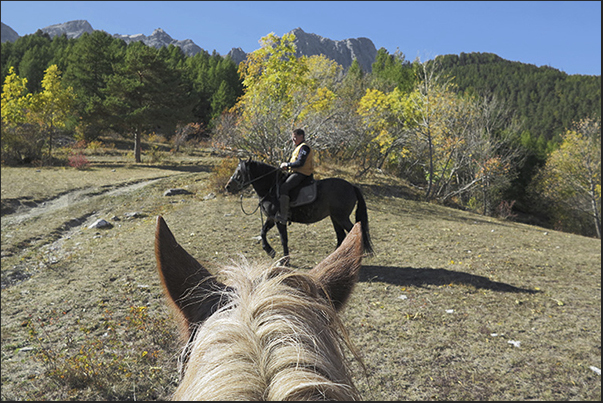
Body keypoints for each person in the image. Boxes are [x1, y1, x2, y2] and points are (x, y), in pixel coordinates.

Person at [275, 128, 314, 224]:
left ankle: (284, 216)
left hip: (302, 173)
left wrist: (287, 165)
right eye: (293, 137)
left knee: (284, 188)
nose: (293, 139)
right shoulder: (298, 147)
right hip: (295, 172)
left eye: (295, 137)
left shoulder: (304, 147)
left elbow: (300, 162)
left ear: (301, 136)